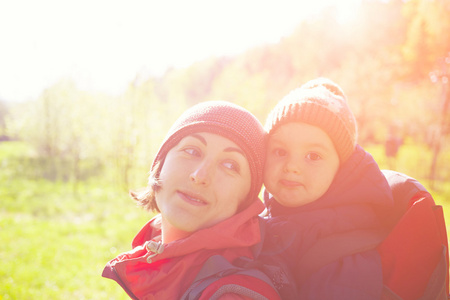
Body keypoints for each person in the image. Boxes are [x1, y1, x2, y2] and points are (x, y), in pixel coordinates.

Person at [102, 101, 281, 299]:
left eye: (230, 165)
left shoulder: (232, 295)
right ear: (160, 164)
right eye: (192, 151)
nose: (200, 175)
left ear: (246, 200)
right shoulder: (155, 254)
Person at [261, 78, 394, 299]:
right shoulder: (263, 215)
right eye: (280, 151)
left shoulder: (345, 256)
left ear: (341, 169)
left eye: (313, 156)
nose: (292, 166)